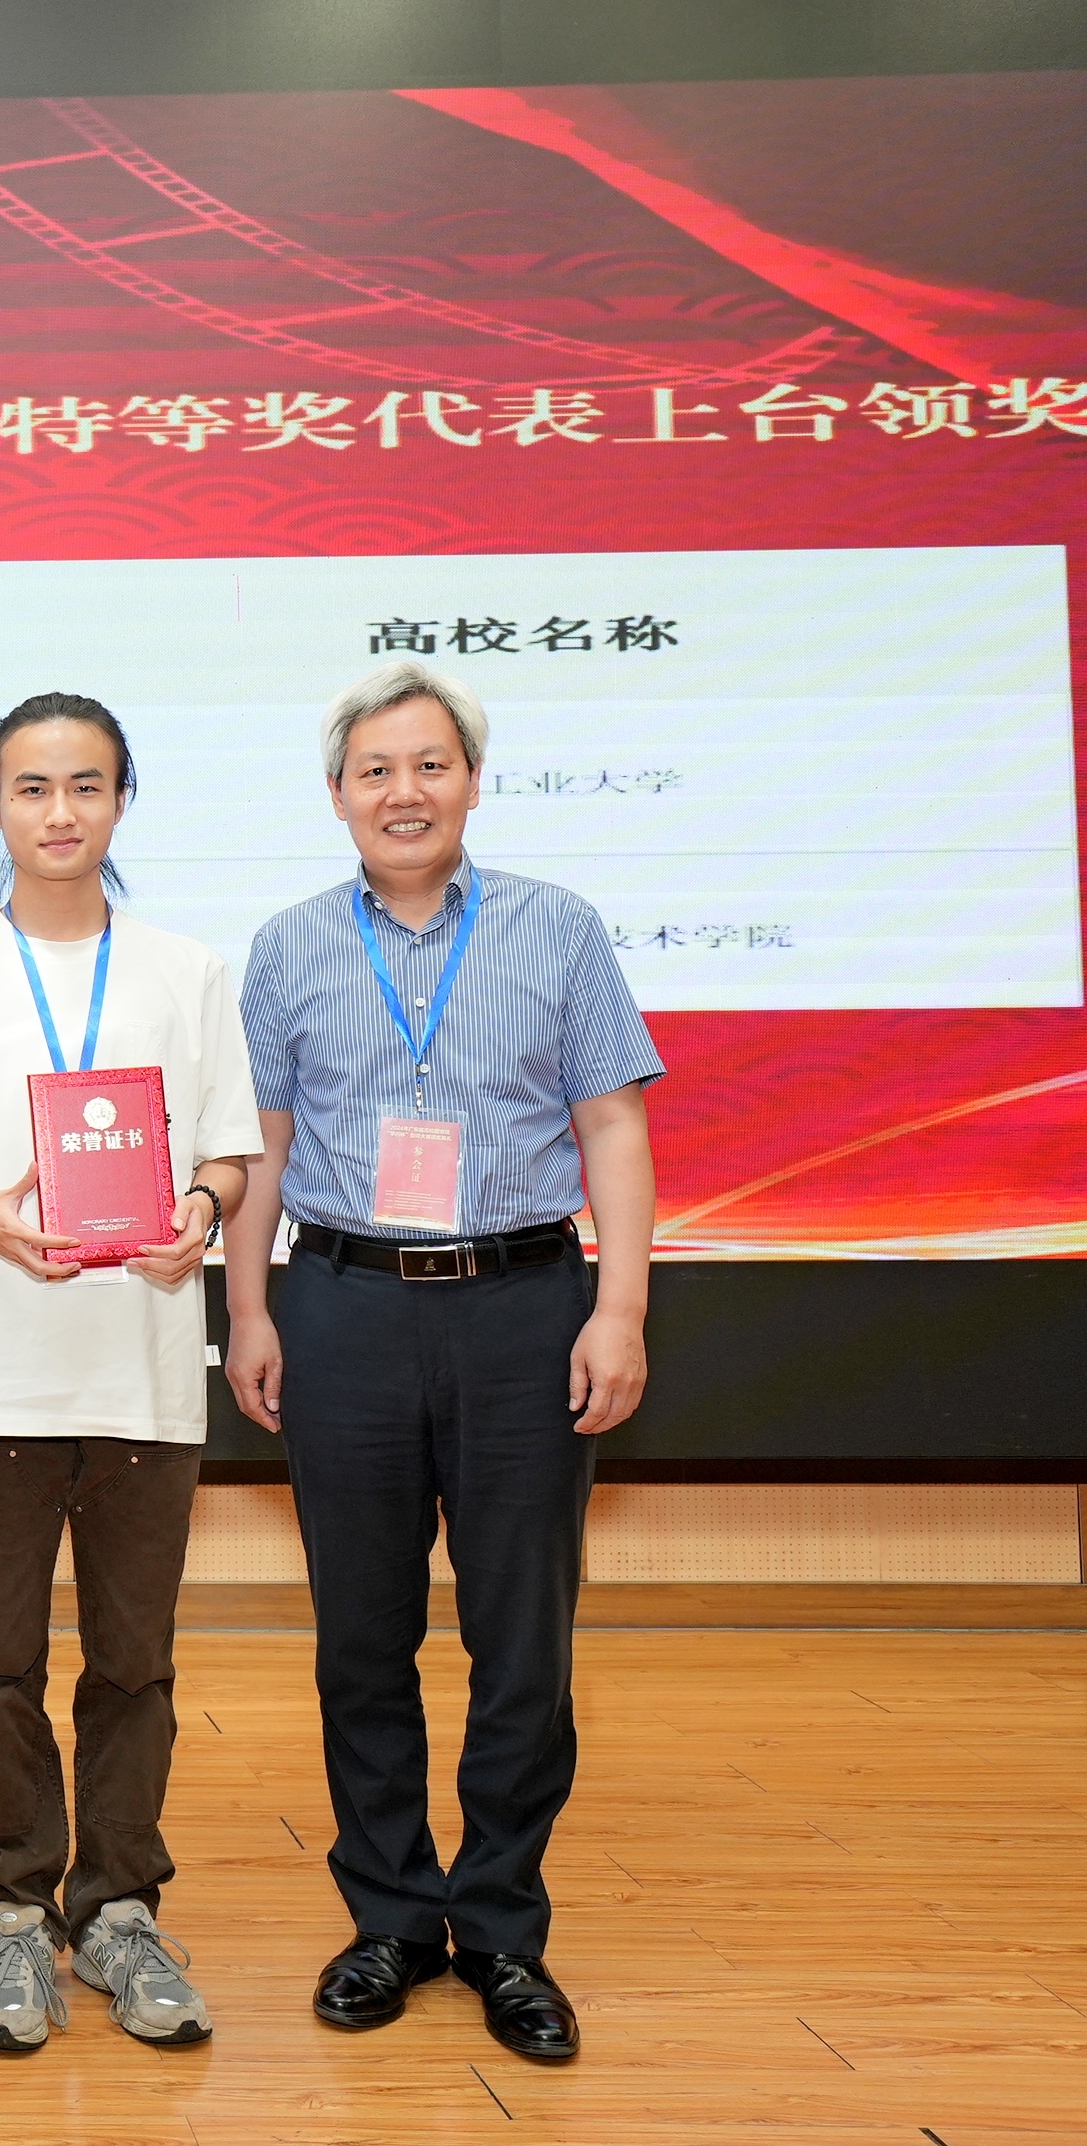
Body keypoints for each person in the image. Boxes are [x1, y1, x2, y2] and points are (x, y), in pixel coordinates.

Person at [225, 660, 663, 2065]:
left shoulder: (558, 928)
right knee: (361, 1637)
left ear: (472, 780)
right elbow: (263, 1150)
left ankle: (505, 1930)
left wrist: (620, 1311)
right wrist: (250, 1312)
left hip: (523, 1305)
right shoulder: (288, 947)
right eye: (375, 770)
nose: (402, 792)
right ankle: (393, 1918)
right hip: (342, 1305)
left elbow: (613, 1127)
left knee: (521, 1641)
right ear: (337, 794)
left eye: (429, 765)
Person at [0, 692, 259, 2054]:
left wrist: (198, 1212)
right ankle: (16, 1916)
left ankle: (122, 1909)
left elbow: (226, 1149)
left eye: (87, 785)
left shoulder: (187, 972)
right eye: (31, 788)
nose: (60, 812)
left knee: (135, 1665)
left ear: (123, 802)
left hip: (143, 1369)